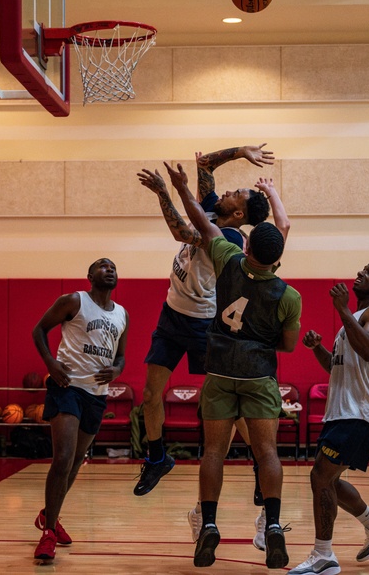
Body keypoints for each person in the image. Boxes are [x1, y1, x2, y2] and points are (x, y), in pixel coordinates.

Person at [165, 161, 302, 570]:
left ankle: (209, 523)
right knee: (267, 452)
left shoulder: (227, 258)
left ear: (248, 246)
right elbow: (288, 346)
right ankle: (272, 525)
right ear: (277, 254)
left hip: (221, 369)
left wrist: (181, 187)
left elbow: (198, 220)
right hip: (258, 372)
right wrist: (272, 192)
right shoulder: (288, 295)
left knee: (213, 451)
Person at [133, 143, 274, 500]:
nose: (227, 191)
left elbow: (182, 232)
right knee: (150, 394)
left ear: (239, 212)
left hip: (203, 323)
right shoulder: (213, 208)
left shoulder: (230, 238)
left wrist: (165, 191)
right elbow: (206, 164)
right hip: (172, 313)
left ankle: (261, 463)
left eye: (236, 193)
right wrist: (241, 150)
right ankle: (157, 458)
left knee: (230, 404)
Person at [289, 263, 369, 575]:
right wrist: (318, 348)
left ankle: (323, 555)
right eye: (363, 269)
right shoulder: (356, 319)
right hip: (345, 410)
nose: (362, 273)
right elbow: (336, 366)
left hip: (359, 411)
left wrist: (341, 308)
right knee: (329, 480)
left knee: (321, 477)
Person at [31, 258, 129, 563]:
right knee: (62, 458)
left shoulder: (122, 314)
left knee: (75, 462)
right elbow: (39, 330)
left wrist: (116, 371)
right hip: (67, 388)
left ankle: (49, 514)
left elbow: (121, 357)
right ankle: (48, 533)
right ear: (90, 275)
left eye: (113, 267)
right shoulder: (74, 301)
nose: (109, 270)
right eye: (103, 266)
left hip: (96, 395)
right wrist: (50, 363)